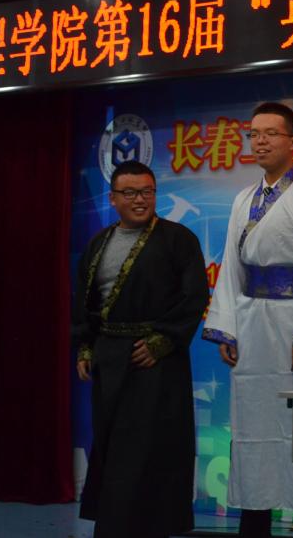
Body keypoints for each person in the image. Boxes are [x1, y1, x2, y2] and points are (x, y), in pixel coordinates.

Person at [203, 101, 293, 538]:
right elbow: (231, 267)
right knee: (252, 427)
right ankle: (254, 522)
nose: (261, 141)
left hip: (291, 325)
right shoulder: (242, 200)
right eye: (254, 134)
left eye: (271, 133)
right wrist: (227, 327)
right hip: (251, 324)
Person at [73, 160, 210, 538]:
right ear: (113, 198)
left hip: (155, 361)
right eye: (130, 193)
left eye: (147, 192)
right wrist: (85, 346)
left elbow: (194, 296)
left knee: (152, 450)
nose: (140, 200)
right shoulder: (98, 244)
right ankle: (114, 527)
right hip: (110, 358)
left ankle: (151, 528)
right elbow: (84, 301)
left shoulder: (178, 239)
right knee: (113, 446)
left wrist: (161, 341)